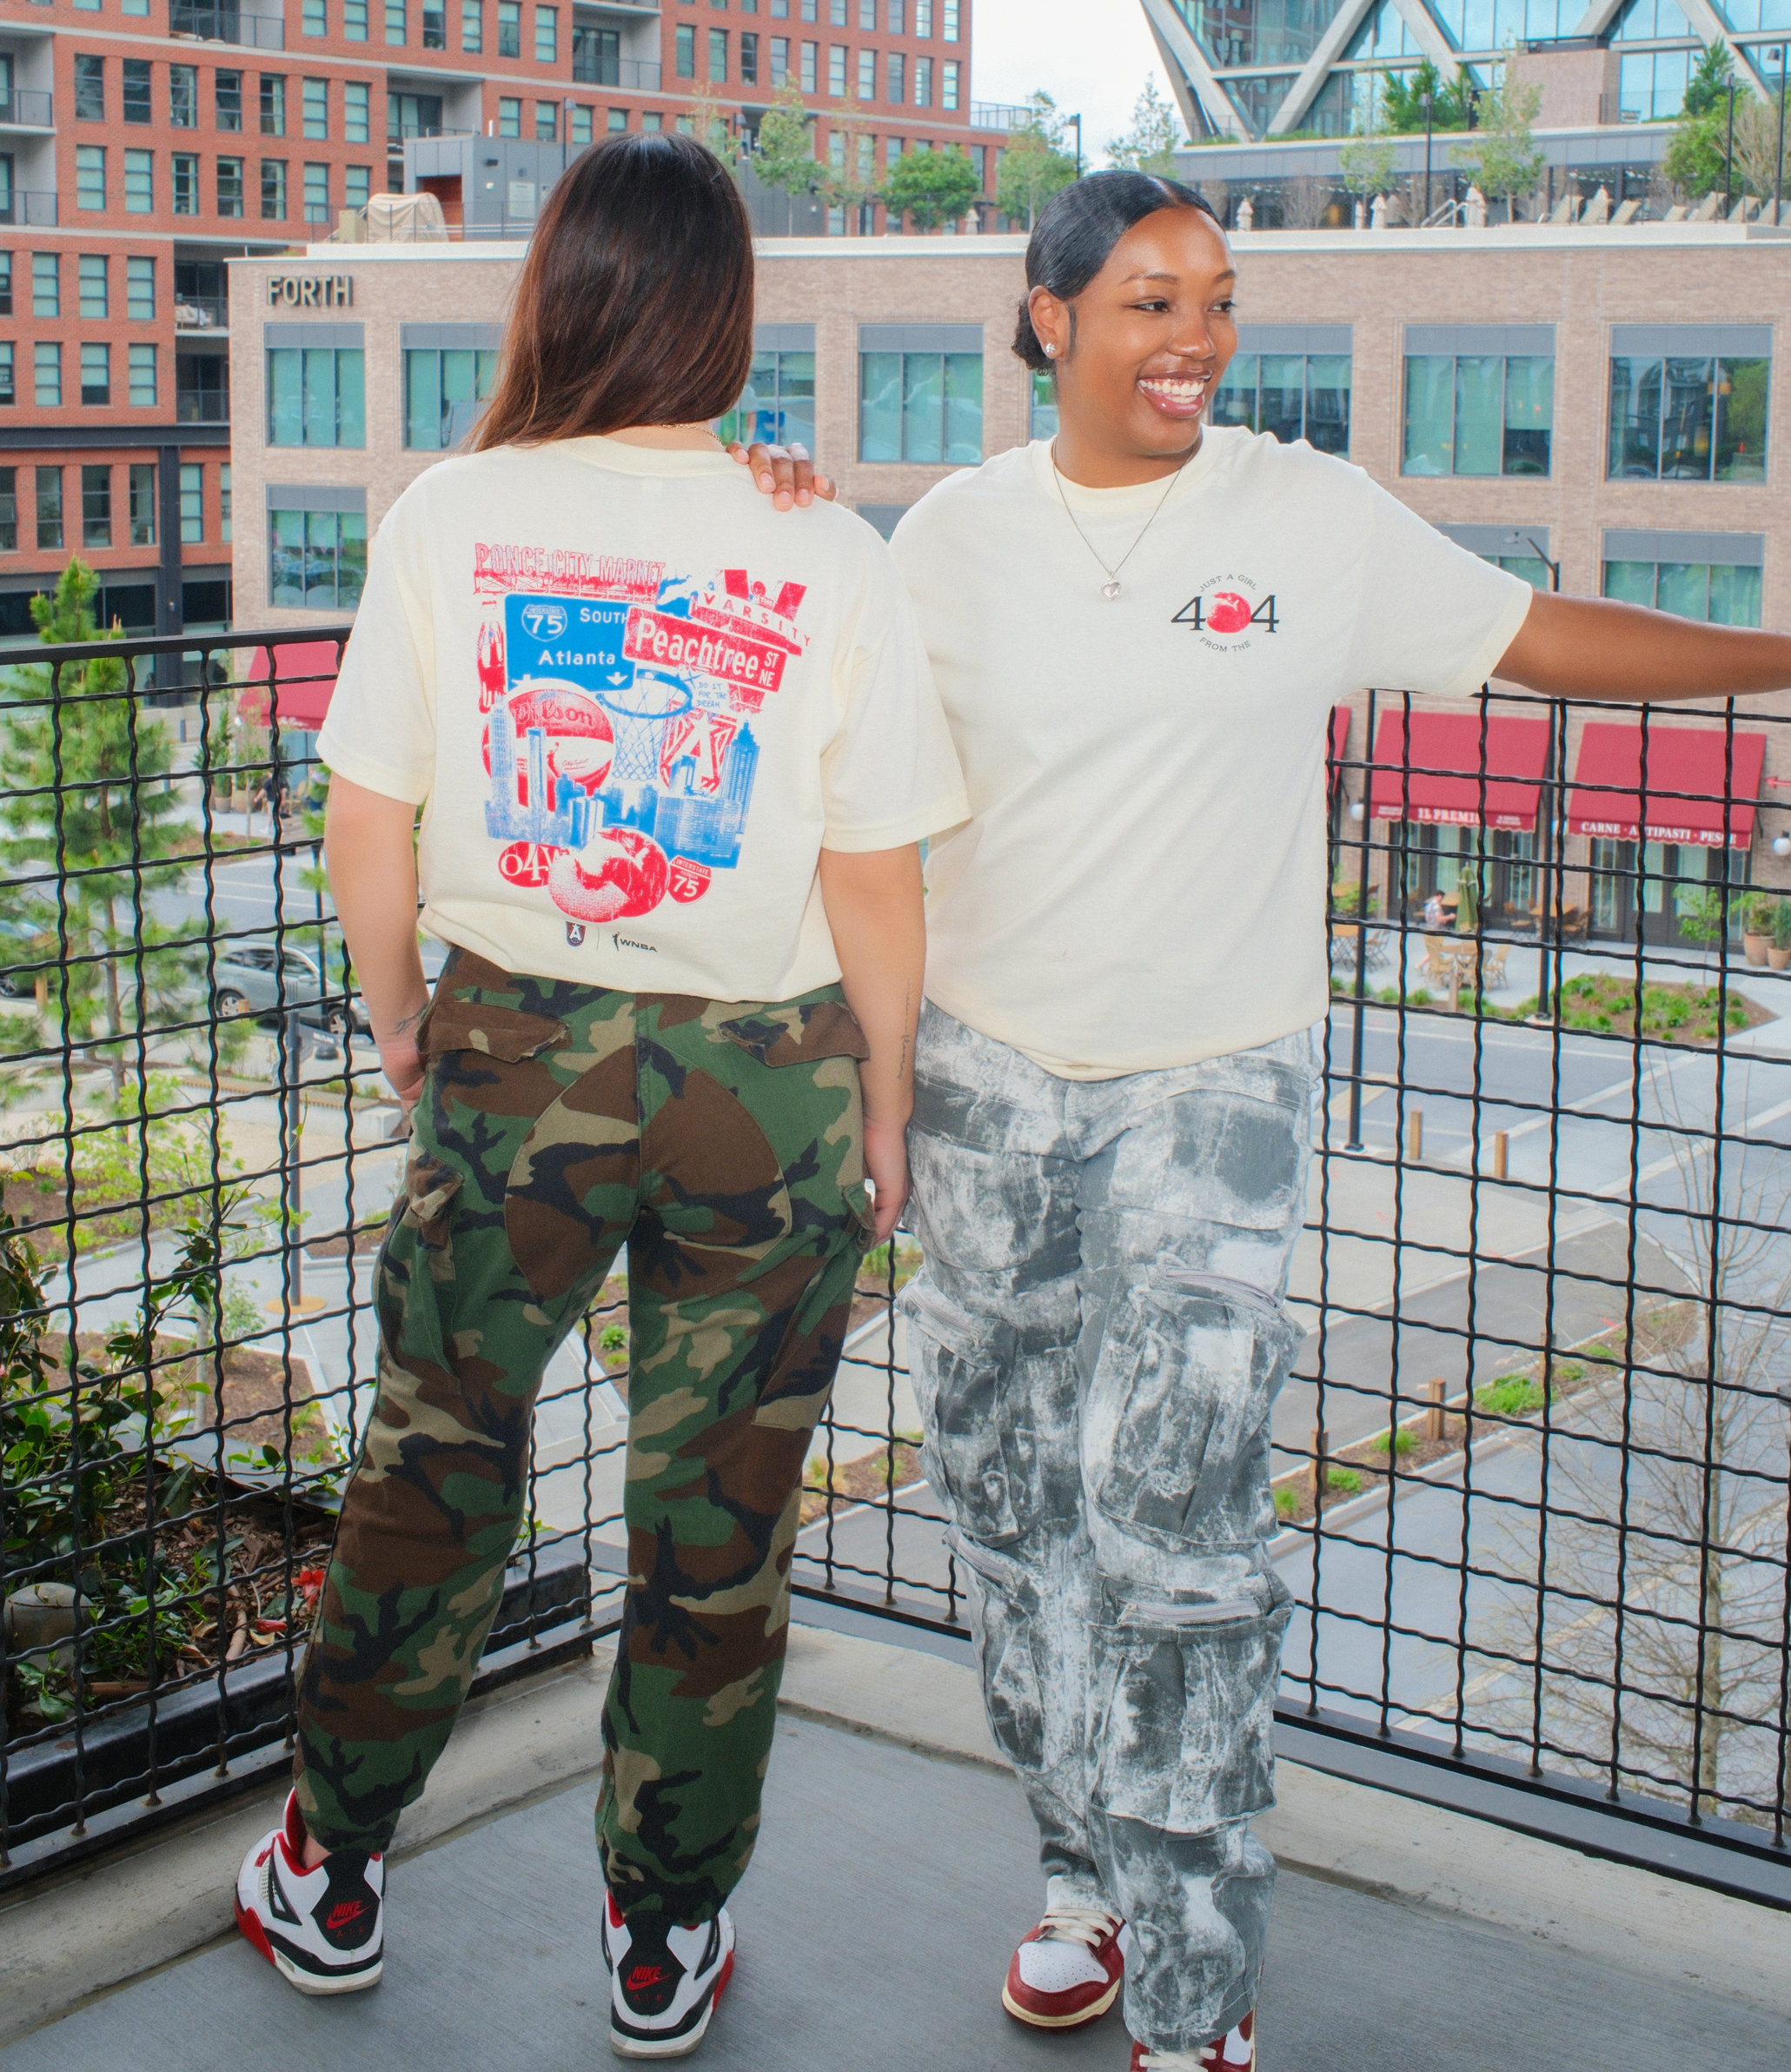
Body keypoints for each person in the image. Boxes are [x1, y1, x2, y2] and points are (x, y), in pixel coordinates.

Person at [737, 171, 1791, 2072]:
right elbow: (823, 743)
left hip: (1211, 1084)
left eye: (1217, 300)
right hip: (982, 1073)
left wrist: (1784, 665)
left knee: (1184, 1527)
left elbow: (1540, 635)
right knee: (1005, 1506)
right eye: (1149, 301)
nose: (1196, 337)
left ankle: (1198, 1981)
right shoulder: (945, 543)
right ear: (1048, 316)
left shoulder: (1304, 516)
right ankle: (1084, 1877)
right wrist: (777, 502)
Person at [231, 133, 967, 2062]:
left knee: (436, 1456)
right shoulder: (825, 546)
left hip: (513, 1047)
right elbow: (877, 871)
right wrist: (887, 1099)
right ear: (729, 311)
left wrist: (403, 1020)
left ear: (553, 288)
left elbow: (366, 822)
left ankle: (331, 1865)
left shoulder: (447, 513)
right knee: (715, 1511)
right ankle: (661, 1939)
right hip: (770, 1074)